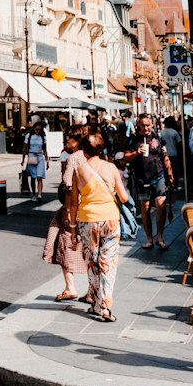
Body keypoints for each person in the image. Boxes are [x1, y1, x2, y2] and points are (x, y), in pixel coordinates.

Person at [68, 131, 131, 322]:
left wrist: (72, 229)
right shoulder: (110, 167)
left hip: (88, 220)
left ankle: (96, 304)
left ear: (83, 150)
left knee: (92, 263)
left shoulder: (78, 170)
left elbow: (73, 203)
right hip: (110, 219)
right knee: (108, 263)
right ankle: (106, 306)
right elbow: (124, 197)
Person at [43, 131, 87, 300]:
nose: (67, 143)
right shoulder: (96, 157)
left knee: (65, 241)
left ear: (76, 142)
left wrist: (68, 210)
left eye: (69, 140)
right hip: (92, 207)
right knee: (90, 248)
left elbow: (68, 186)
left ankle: (70, 287)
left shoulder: (75, 157)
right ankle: (92, 290)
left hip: (74, 206)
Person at [124, 113, 174, 249]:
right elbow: (125, 157)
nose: (145, 128)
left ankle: (160, 236)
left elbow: (164, 155)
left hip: (158, 176)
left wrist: (170, 173)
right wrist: (135, 153)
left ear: (152, 124)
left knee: (160, 205)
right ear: (138, 125)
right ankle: (149, 239)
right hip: (141, 178)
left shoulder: (158, 137)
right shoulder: (133, 140)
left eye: (148, 125)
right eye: (143, 125)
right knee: (145, 208)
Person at [21, 119, 48, 202]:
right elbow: (25, 148)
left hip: (39, 156)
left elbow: (45, 149)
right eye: (36, 129)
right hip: (31, 155)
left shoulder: (43, 137)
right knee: (33, 177)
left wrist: (47, 160)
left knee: (39, 177)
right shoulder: (29, 136)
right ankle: (33, 193)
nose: (38, 131)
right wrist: (23, 159)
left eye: (39, 129)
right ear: (33, 129)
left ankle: (39, 194)